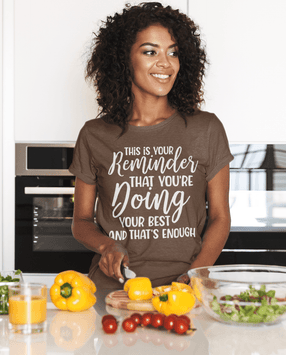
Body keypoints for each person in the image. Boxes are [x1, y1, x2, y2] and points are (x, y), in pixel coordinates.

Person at [69, 2, 233, 290]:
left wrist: (196, 276)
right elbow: (81, 221)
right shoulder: (95, 135)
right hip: (114, 289)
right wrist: (107, 246)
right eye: (150, 52)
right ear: (124, 59)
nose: (165, 63)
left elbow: (220, 217)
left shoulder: (206, 129)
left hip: (184, 289)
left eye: (173, 52)